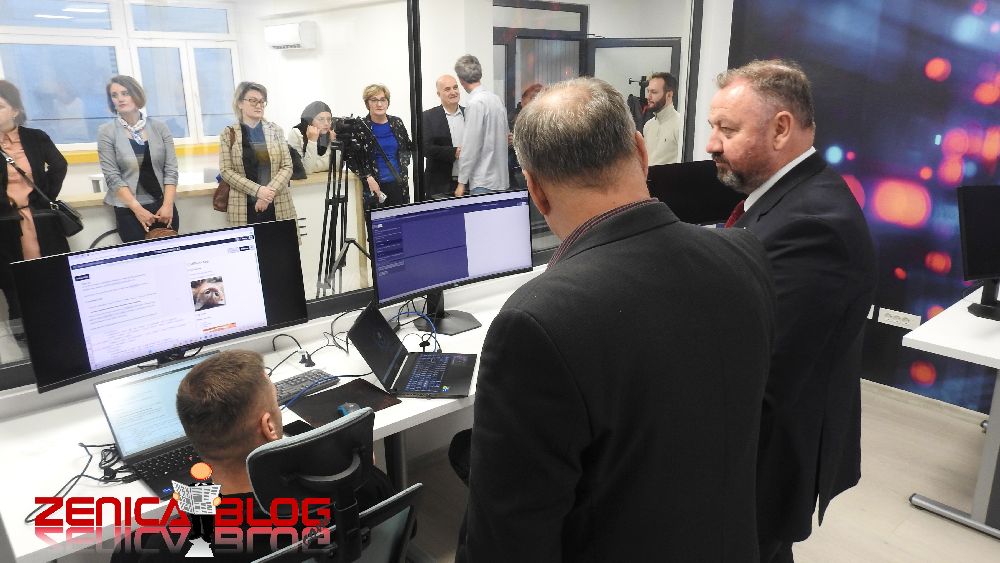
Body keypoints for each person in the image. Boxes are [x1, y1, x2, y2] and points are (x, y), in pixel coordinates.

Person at [458, 77, 777, 562]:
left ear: (535, 190)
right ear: (641, 153)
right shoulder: (743, 254)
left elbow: (506, 542)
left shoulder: (536, 321)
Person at [708, 59, 877, 562]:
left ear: (781, 128)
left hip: (764, 460)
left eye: (727, 130)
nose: (711, 144)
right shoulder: (787, 199)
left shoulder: (811, 225)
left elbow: (758, 368)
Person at [112, 350, 394, 560]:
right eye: (276, 402)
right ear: (268, 427)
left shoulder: (158, 546)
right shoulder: (356, 492)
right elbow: (404, 532)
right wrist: (366, 474)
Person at [0, 80, 68, 325]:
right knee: (15, 292)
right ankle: (27, 346)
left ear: (15, 110)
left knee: (55, 284)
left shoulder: (35, 138)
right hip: (6, 226)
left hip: (40, 221)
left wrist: (44, 197)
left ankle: (63, 337)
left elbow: (59, 165)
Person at [98, 75, 179, 243]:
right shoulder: (106, 132)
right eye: (114, 95)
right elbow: (112, 177)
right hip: (129, 210)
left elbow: (171, 170)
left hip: (163, 208)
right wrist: (138, 209)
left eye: (125, 93)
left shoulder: (160, 128)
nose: (120, 99)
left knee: (170, 255)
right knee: (138, 258)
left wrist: (168, 205)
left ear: (136, 95)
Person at [219, 82, 297, 227]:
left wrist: (266, 195)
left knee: (282, 241)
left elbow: (287, 166)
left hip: (277, 203)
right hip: (243, 206)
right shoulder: (229, 133)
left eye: (262, 101)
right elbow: (226, 171)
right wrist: (258, 191)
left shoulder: (275, 130)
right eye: (253, 100)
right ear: (240, 103)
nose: (259, 105)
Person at [348, 84, 412, 208]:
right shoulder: (360, 127)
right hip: (374, 187)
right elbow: (352, 158)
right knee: (377, 220)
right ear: (367, 104)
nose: (379, 104)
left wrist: (404, 167)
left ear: (388, 102)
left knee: (401, 219)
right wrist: (367, 177)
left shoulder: (396, 122)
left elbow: (407, 147)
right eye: (374, 100)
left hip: (398, 184)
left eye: (383, 100)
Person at [453, 55, 509, 196]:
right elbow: (507, 137)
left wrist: (461, 183)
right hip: (501, 180)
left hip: (483, 182)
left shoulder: (475, 103)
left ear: (461, 80)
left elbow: (471, 145)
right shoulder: (496, 100)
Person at [422, 75, 464, 198]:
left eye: (455, 87)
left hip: (469, 182)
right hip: (439, 184)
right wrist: (454, 152)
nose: (453, 92)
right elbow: (425, 148)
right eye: (447, 89)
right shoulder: (427, 117)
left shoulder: (470, 113)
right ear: (438, 94)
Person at [507, 82, 542, 190]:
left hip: (538, 168)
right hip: (517, 167)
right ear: (522, 100)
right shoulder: (512, 117)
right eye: (532, 98)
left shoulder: (544, 119)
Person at [643, 71, 682, 165]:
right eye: (648, 91)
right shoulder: (648, 126)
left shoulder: (680, 125)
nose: (648, 97)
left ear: (669, 95)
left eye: (654, 92)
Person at [288, 100, 336, 174]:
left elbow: (336, 166)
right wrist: (312, 141)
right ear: (309, 121)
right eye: (321, 119)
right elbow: (306, 170)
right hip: (306, 181)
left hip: (324, 179)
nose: (326, 123)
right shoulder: (296, 133)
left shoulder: (330, 134)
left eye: (329, 119)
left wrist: (334, 143)